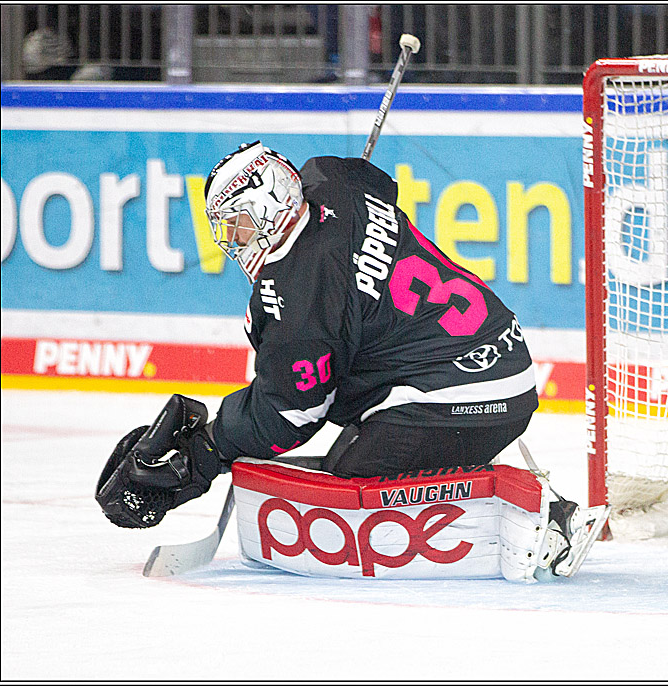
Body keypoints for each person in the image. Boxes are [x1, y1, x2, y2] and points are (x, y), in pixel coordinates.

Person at [96, 142, 539, 529]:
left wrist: (205, 453)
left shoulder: (300, 294)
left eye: (239, 225)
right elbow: (378, 182)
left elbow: (292, 414)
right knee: (345, 451)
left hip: (462, 398)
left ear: (270, 206)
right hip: (501, 362)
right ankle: (464, 470)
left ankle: (492, 511)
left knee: (354, 484)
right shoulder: (336, 180)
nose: (234, 241)